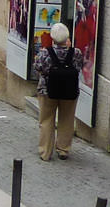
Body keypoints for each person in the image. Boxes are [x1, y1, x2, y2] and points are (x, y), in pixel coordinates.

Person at [32, 22, 82, 161]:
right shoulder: (76, 53)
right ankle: (63, 150)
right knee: (67, 119)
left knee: (46, 120)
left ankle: (45, 152)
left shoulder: (44, 53)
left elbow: (38, 67)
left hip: (47, 90)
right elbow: (78, 68)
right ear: (67, 38)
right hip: (69, 91)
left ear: (52, 38)